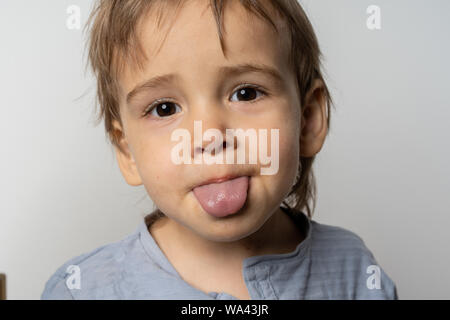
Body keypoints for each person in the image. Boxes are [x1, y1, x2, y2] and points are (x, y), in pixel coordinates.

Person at [41, 0, 398, 299]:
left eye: (246, 93)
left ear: (307, 119)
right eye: (164, 108)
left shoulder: (354, 273)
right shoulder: (83, 290)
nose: (210, 135)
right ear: (128, 151)